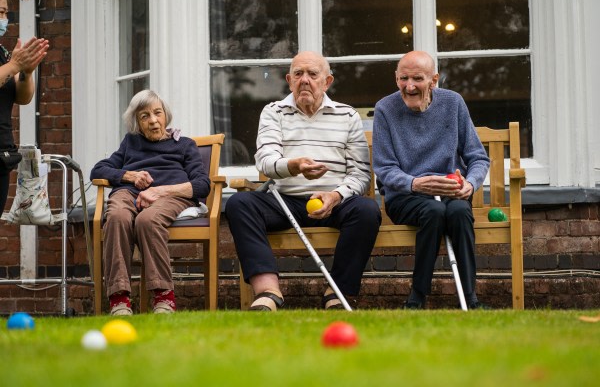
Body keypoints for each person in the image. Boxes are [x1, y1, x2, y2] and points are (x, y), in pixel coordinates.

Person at [226, 51, 381, 311]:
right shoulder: (273, 112)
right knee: (239, 204)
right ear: (289, 80)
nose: (304, 80)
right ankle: (268, 292)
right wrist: (294, 166)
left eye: (312, 74)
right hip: (283, 201)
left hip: (333, 202)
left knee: (367, 210)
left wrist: (336, 195)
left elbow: (360, 175)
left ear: (327, 81)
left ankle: (336, 292)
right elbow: (265, 161)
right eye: (298, 74)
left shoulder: (347, 116)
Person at [373, 51, 491, 310]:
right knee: (434, 211)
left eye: (418, 78)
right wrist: (415, 184)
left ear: (434, 79)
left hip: (451, 193)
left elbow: (478, 158)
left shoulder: (453, 103)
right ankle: (417, 297)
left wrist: (470, 184)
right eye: (404, 78)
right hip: (405, 196)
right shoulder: (385, 109)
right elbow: (384, 167)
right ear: (396, 79)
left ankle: (471, 299)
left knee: (460, 212)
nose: (410, 86)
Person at [90, 90, 210, 315]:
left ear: (166, 115)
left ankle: (164, 296)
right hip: (129, 192)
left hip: (170, 196)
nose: (153, 120)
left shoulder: (184, 145)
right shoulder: (130, 143)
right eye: (145, 116)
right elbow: (98, 170)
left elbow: (202, 185)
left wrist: (160, 191)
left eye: (157, 113)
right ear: (137, 122)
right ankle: (119, 299)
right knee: (117, 216)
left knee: (148, 220)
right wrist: (130, 176)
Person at [0, 0, 49, 212]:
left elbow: (23, 97)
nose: (4, 18)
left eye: (5, 12)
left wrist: (27, 72)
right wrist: (14, 66)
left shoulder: (1, 52)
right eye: (0, 12)